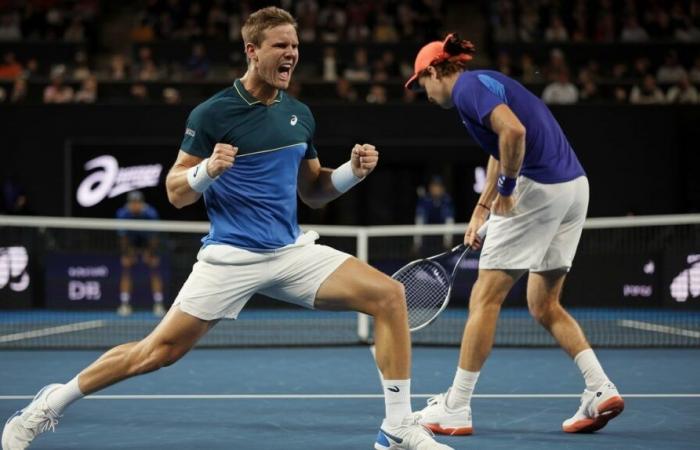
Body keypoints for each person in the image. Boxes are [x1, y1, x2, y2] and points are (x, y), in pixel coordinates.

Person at [2, 7, 451, 450]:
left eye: (295, 45)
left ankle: (396, 429)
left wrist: (352, 172)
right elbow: (177, 191)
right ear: (252, 51)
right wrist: (208, 171)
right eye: (281, 45)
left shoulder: (299, 114)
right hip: (232, 256)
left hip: (290, 252)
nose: (291, 53)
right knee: (157, 353)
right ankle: (49, 404)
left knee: (390, 296)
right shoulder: (212, 113)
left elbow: (313, 191)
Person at [404, 33, 624, 437]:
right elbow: (498, 146)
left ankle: (457, 406)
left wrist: (506, 191)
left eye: (422, 83)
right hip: (574, 188)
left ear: (435, 71)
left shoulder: (467, 88)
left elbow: (514, 134)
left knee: (484, 299)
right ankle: (599, 388)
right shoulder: (484, 84)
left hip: (537, 187)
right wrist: (482, 206)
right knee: (543, 304)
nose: (424, 92)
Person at [115, 190, 165, 317]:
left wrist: (151, 253)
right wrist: (126, 254)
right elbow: (123, 237)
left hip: (148, 241)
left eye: (137, 203)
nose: (135, 205)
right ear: (129, 204)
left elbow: (154, 237)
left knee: (154, 269)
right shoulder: (123, 214)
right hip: (131, 242)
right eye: (133, 203)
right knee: (126, 269)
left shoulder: (150, 213)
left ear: (141, 203)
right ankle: (124, 304)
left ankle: (158, 304)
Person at [414, 175, 455, 255]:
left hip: (441, 240)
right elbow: (419, 221)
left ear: (443, 189)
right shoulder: (424, 201)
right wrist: (417, 243)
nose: (436, 189)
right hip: (426, 239)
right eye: (434, 186)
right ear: (430, 187)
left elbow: (449, 221)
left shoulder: (447, 201)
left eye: (439, 186)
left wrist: (448, 242)